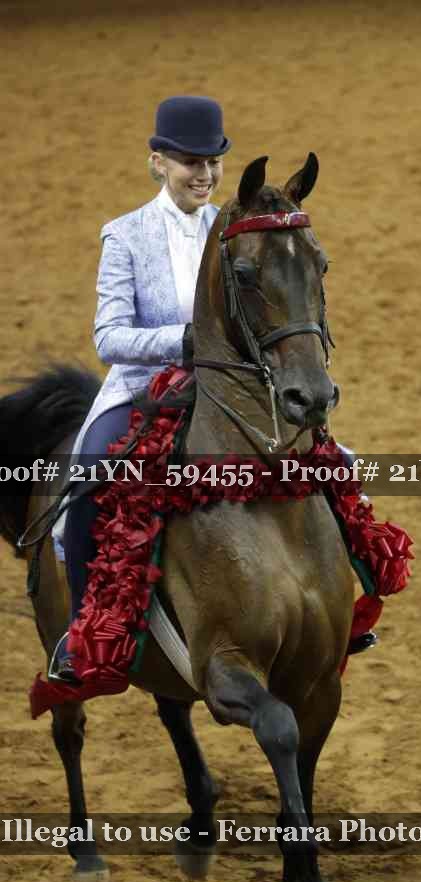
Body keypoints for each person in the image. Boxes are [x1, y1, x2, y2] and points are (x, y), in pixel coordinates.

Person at [49, 95, 231, 681]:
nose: (205, 174)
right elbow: (109, 337)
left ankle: (338, 608)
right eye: (191, 162)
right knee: (90, 473)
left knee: (320, 457)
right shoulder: (124, 236)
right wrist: (185, 340)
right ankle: (81, 631)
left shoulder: (232, 231)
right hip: (142, 391)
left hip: (226, 387)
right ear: (158, 162)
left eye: (213, 161)